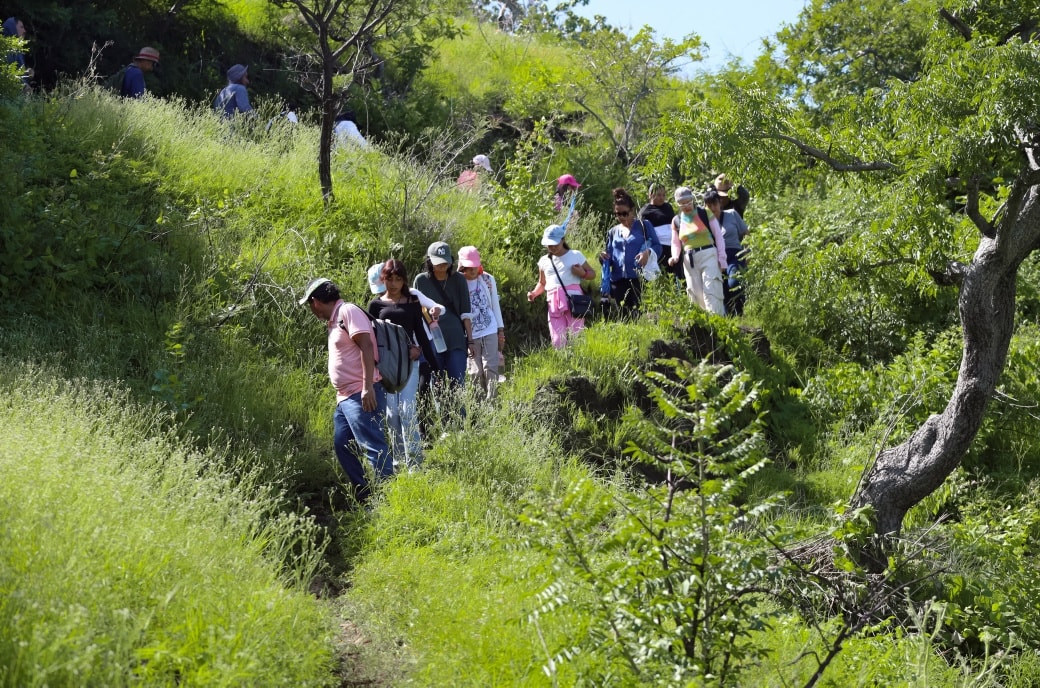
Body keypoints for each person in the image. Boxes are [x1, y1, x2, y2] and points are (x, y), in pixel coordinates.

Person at [299, 277, 392, 501]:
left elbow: (367, 346)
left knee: (372, 445)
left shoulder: (347, 311)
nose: (311, 311)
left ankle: (390, 498)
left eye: (310, 306)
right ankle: (367, 497)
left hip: (360, 393)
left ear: (315, 301)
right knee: (343, 446)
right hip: (345, 398)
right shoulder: (334, 321)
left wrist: (367, 387)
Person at [368, 260, 437, 470]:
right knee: (392, 415)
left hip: (410, 365)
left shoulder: (412, 303)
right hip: (387, 367)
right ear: (383, 279)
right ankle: (398, 463)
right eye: (389, 279)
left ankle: (415, 463)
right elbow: (371, 339)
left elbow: (423, 336)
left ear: (404, 280)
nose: (394, 284)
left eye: (398, 279)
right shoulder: (375, 305)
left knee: (408, 412)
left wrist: (431, 362)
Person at [412, 241, 475, 387]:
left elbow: (466, 312)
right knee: (436, 385)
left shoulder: (458, 279)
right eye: (438, 263)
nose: (442, 266)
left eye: (445, 262)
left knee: (457, 384)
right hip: (431, 340)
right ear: (429, 261)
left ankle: (460, 411)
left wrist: (470, 341)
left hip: (455, 338)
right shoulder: (421, 280)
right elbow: (416, 312)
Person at [528, 224, 596, 349]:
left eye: (555, 244)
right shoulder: (544, 260)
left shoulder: (575, 255)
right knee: (557, 339)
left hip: (574, 301)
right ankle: (562, 362)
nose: (552, 247)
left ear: (563, 240)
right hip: (554, 303)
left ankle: (580, 362)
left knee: (577, 336)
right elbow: (542, 283)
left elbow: (592, 274)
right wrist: (534, 293)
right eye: (549, 245)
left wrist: (583, 273)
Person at [598, 187, 662, 315]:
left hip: (639, 279)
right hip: (617, 281)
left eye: (624, 213)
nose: (621, 217)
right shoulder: (613, 231)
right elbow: (610, 257)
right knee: (623, 317)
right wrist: (603, 257)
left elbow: (658, 246)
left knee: (640, 314)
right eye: (617, 214)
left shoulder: (644, 226)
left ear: (632, 210)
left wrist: (647, 253)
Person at [668, 187, 727, 316]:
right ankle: (703, 328)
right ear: (678, 204)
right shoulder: (676, 220)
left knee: (712, 290)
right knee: (695, 295)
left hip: (709, 254)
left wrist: (722, 259)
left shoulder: (705, 213)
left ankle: (717, 323)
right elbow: (675, 243)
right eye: (682, 204)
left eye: (688, 202)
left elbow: (718, 235)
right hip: (689, 260)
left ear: (693, 200)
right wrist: (674, 256)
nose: (686, 206)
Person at [457, 246, 504, 399]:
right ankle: (481, 406)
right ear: (462, 265)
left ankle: (493, 403)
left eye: (475, 266)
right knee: (475, 372)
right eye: (469, 267)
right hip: (470, 333)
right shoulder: (457, 282)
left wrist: (500, 329)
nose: (473, 270)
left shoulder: (487, 279)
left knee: (490, 367)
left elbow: (495, 305)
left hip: (489, 328)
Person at [703, 190, 750, 316]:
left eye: (715, 204)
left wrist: (747, 252)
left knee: (734, 283)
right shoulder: (704, 222)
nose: (713, 208)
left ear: (720, 203)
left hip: (735, 254)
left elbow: (746, 234)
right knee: (722, 289)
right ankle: (729, 317)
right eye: (709, 205)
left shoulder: (732, 214)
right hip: (716, 257)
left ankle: (739, 312)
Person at [639, 182, 679, 283]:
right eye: (658, 195)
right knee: (662, 275)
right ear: (650, 195)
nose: (662, 198)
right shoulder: (645, 211)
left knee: (674, 275)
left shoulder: (668, 207)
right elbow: (643, 232)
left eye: (663, 195)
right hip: (659, 248)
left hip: (673, 246)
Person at [3, 17, 32, 88]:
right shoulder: (6, 49)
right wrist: (23, 85)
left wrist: (27, 72)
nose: (24, 31)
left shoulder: (17, 50)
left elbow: (17, 71)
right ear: (12, 28)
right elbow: (7, 73)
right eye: (21, 27)